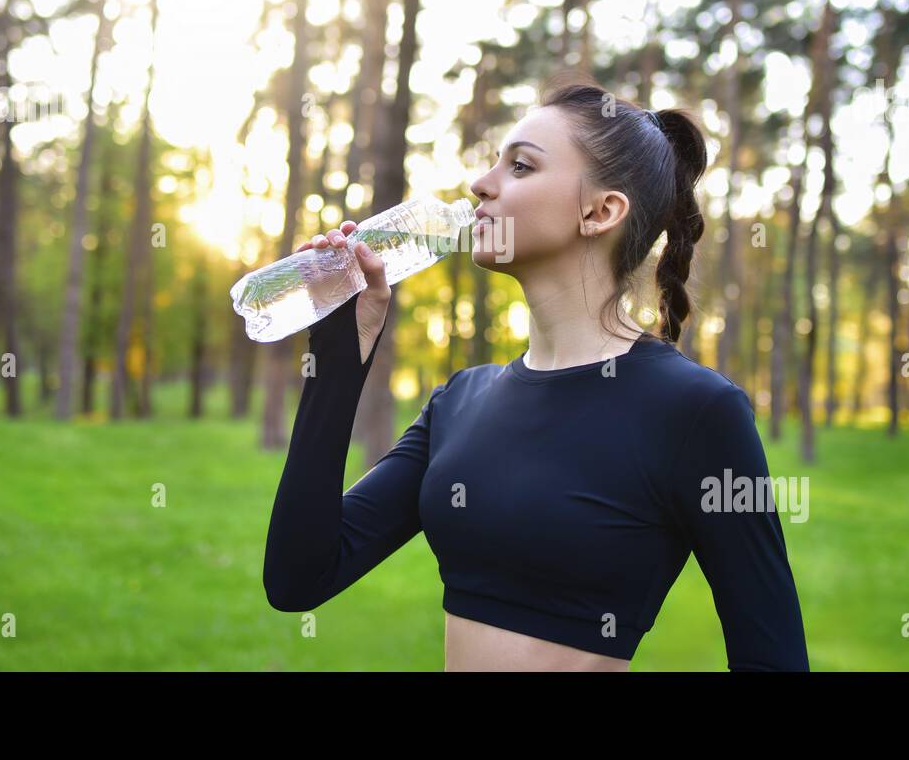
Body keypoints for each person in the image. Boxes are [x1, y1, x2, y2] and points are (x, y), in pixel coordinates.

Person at [263, 75, 809, 672]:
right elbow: (299, 578)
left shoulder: (695, 412)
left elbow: (772, 656)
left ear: (601, 211)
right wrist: (339, 357)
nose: (480, 184)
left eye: (520, 167)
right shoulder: (460, 402)